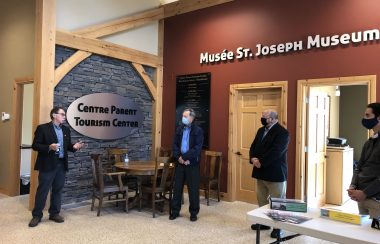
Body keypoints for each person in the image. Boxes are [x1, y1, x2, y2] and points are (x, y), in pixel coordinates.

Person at [28, 107, 84, 227]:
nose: (64, 117)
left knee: (57, 190)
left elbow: (67, 146)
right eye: (62, 114)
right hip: (47, 164)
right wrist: (49, 147)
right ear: (54, 115)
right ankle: (37, 215)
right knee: (43, 191)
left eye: (64, 115)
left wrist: (75, 146)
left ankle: (54, 213)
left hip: (61, 164)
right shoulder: (42, 128)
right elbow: (35, 145)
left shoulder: (65, 130)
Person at [249, 109, 289, 238]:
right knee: (261, 200)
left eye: (264, 117)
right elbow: (253, 146)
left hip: (275, 172)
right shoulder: (261, 130)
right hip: (260, 172)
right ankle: (264, 222)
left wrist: (262, 162)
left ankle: (278, 228)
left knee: (278, 202)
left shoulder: (282, 133)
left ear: (272, 118)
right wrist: (253, 158)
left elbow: (277, 152)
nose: (262, 118)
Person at [347, 103, 380, 221]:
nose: (364, 119)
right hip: (361, 199)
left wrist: (365, 193)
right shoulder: (369, 142)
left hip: (376, 200)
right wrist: (353, 185)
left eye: (367, 115)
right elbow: (358, 167)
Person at [169, 108, 204, 222]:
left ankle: (193, 212)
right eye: (183, 116)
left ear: (192, 118)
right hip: (180, 163)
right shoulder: (179, 129)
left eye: (185, 116)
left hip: (192, 164)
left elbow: (197, 148)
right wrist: (178, 157)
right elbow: (174, 144)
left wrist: (185, 157)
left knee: (193, 189)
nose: (183, 118)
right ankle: (175, 211)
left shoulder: (198, 130)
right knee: (177, 187)